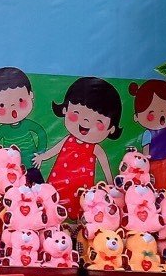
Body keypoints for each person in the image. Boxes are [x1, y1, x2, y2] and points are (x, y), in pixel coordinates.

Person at [33, 76, 123, 218]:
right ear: (65, 110)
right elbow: (55, 149)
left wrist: (110, 184)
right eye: (77, 113)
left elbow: (105, 165)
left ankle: (76, 223)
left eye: (98, 121)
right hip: (59, 178)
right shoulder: (68, 139)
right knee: (53, 201)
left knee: (79, 205)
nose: (86, 121)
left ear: (111, 129)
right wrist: (42, 157)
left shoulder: (95, 148)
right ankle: (52, 216)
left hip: (81, 186)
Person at [0, 67, 48, 185]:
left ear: (31, 95)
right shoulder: (3, 130)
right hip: (12, 169)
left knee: (39, 187)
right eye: (2, 105)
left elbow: (40, 133)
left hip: (31, 164)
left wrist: (40, 152)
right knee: (15, 189)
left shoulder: (28, 124)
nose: (13, 106)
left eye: (20, 100)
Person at [129, 79, 166, 190]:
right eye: (151, 114)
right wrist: (146, 165)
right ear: (137, 117)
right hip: (154, 163)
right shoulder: (148, 133)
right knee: (156, 184)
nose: (162, 114)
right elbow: (146, 151)